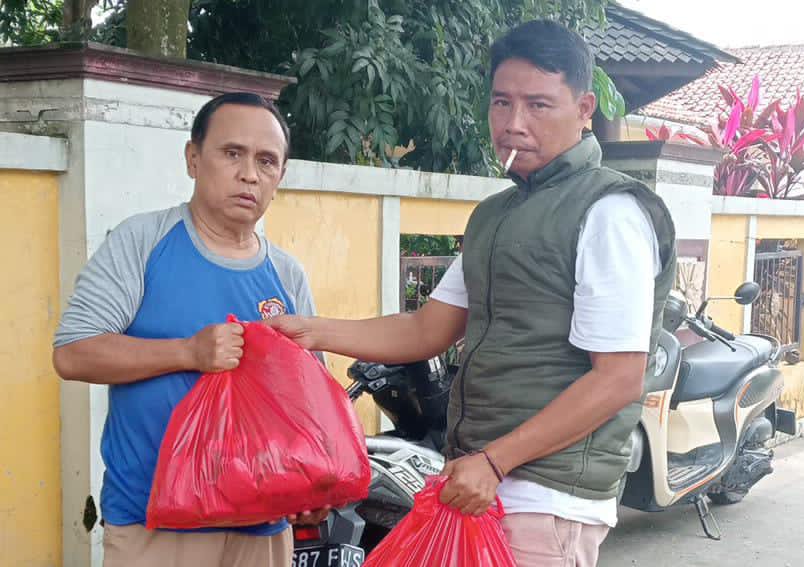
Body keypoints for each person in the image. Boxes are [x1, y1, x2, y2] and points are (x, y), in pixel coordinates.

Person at [267, 20, 677, 567]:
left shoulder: (609, 212)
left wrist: (496, 461)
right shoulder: (495, 216)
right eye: (501, 103)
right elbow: (427, 329)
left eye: (538, 105)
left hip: (547, 500)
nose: (513, 124)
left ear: (583, 110)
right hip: (478, 484)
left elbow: (619, 377)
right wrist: (311, 331)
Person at [52, 92, 326, 567]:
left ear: (280, 177)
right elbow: (73, 352)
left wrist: (316, 482)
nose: (249, 174)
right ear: (193, 159)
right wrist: (187, 353)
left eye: (266, 161)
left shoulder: (286, 273)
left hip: (262, 526)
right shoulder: (143, 241)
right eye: (232, 153)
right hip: (155, 526)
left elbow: (309, 401)